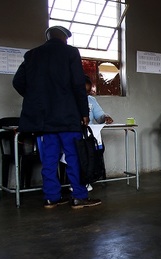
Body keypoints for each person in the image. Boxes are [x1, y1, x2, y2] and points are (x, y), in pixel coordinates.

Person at [13, 25, 101, 209]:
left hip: (44, 119)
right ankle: (79, 196)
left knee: (50, 159)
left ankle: (51, 198)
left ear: (48, 37)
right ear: (64, 38)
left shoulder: (32, 55)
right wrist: (84, 112)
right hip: (68, 116)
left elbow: (18, 81)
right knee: (74, 157)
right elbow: (78, 83)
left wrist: (35, 98)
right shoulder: (70, 52)